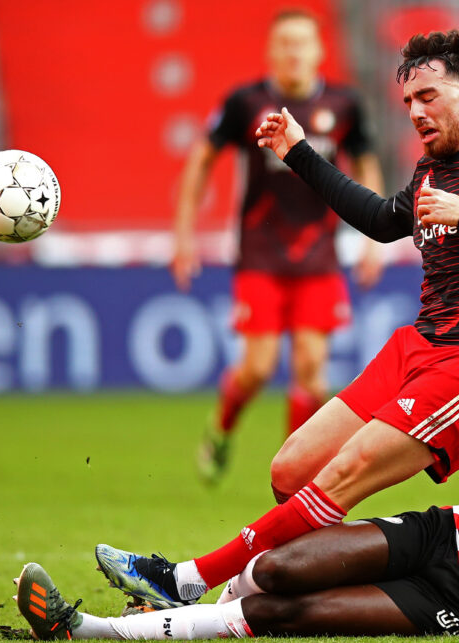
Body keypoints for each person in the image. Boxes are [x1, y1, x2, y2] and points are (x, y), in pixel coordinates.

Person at [14, 230, 459, 642]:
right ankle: (181, 594)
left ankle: (91, 631)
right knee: (277, 567)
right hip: (448, 535)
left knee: (277, 610)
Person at [94, 30, 459, 605]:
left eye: (428, 96)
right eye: (408, 102)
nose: (415, 112)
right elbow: (379, 219)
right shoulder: (431, 171)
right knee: (292, 470)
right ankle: (320, 576)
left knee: (342, 475)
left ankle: (187, 580)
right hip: (421, 346)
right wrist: (298, 152)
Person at [173, 8, 386, 481]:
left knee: (312, 370)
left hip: (320, 255)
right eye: (284, 43)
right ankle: (221, 431)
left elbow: (368, 165)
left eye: (302, 43)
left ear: (319, 50)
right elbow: (202, 159)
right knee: (258, 367)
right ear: (271, 51)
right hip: (261, 252)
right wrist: (184, 233)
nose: (293, 52)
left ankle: (297, 472)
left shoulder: (345, 105)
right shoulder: (246, 103)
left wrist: (374, 243)